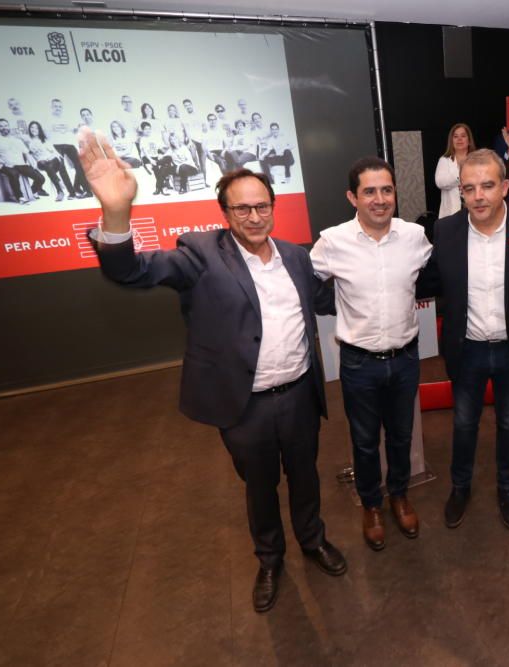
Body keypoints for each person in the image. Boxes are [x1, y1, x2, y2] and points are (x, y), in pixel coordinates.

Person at [78, 130, 347, 614]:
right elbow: (131, 272)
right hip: (246, 406)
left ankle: (312, 539)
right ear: (225, 213)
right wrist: (117, 211)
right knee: (260, 486)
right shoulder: (200, 255)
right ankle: (270, 560)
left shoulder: (295, 256)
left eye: (262, 205)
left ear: (273, 206)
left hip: (300, 395)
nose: (254, 216)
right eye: (242, 208)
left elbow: (329, 302)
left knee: (305, 476)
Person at [422, 149, 509, 530]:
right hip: (467, 351)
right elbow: (428, 282)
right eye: (469, 188)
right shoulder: (446, 231)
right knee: (464, 423)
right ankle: (460, 488)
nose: (478, 196)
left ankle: (506, 488)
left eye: (486, 186)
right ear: (461, 193)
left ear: (503, 186)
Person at [310, 157, 433, 551]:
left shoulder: (414, 236)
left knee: (401, 436)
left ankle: (398, 495)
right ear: (353, 197)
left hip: (405, 358)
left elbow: (432, 276)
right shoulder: (333, 241)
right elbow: (305, 282)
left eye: (387, 190)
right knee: (364, 441)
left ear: (395, 193)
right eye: (369, 192)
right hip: (358, 363)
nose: (379, 199)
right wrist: (338, 308)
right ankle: (371, 504)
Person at [0, 118, 46, 204]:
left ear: (9, 126)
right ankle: (20, 197)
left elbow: (26, 153)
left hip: (21, 164)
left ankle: (32, 191)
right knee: (14, 174)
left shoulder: (17, 139)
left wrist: (32, 163)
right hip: (7, 165)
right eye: (1, 126)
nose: (4, 128)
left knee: (41, 178)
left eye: (5, 125)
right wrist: (4, 162)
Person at [46, 98, 91, 198]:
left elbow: (73, 131)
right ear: (51, 107)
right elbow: (47, 138)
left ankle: (87, 191)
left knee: (80, 165)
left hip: (69, 144)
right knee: (62, 168)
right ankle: (72, 192)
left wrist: (77, 130)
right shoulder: (48, 120)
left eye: (60, 106)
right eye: (55, 106)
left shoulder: (67, 118)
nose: (58, 108)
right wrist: (53, 151)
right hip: (56, 145)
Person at [26, 120, 74, 202]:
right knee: (44, 163)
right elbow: (29, 155)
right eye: (32, 127)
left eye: (36, 128)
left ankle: (60, 191)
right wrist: (33, 163)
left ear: (39, 129)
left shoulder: (44, 140)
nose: (34, 129)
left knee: (48, 166)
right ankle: (59, 183)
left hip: (53, 161)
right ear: (29, 129)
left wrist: (50, 157)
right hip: (41, 163)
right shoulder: (28, 142)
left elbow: (54, 152)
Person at [434, 123, 474, 218]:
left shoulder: (477, 159)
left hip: (474, 209)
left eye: (463, 136)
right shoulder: (444, 160)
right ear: (451, 141)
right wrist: (460, 174)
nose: (459, 139)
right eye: (455, 136)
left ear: (469, 141)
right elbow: (440, 182)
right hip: (451, 212)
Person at [137, 121, 173, 196]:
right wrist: (151, 160)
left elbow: (159, 148)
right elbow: (144, 151)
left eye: (149, 129)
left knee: (168, 159)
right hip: (147, 157)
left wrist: (161, 154)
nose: (148, 130)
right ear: (143, 130)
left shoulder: (154, 138)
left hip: (156, 157)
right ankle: (161, 187)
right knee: (156, 167)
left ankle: (160, 186)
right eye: (146, 129)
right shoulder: (142, 139)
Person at [181, 98, 206, 171]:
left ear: (191, 105)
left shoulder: (199, 114)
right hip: (193, 140)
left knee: (203, 162)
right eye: (186, 106)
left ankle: (204, 179)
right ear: (184, 107)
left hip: (202, 140)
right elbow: (186, 130)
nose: (188, 107)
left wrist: (205, 139)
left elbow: (204, 127)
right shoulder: (184, 117)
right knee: (193, 156)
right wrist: (190, 141)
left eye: (189, 105)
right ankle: (197, 169)